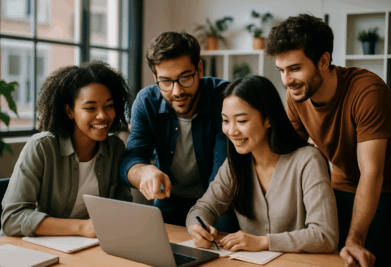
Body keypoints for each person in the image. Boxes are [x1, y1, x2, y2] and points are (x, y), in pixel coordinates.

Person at [266, 14, 391, 267]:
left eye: (295, 68)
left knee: (361, 258)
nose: (286, 80)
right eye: (281, 70)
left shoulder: (368, 92)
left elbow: (372, 173)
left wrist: (355, 240)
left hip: (384, 192)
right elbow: (290, 158)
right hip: (339, 186)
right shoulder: (296, 96)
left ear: (323, 61)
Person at [186, 75, 338, 253]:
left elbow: (325, 236)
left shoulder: (308, 160)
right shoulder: (234, 164)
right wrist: (197, 227)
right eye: (226, 121)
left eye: (242, 121)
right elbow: (202, 208)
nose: (232, 131)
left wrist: (263, 242)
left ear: (268, 119)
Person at [0, 61, 133, 238]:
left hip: (83, 247)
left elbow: (123, 208)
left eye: (109, 106)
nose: (103, 115)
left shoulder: (115, 147)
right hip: (26, 247)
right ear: (70, 111)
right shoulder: (42, 147)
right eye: (90, 108)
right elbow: (12, 219)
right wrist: (82, 228)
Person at [119, 31, 238, 232]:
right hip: (169, 199)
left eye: (185, 78)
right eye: (165, 81)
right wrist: (145, 171)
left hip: (218, 201)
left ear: (199, 69)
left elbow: (222, 173)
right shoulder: (146, 101)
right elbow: (131, 160)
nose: (177, 91)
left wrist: (199, 216)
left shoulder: (224, 97)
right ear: (155, 77)